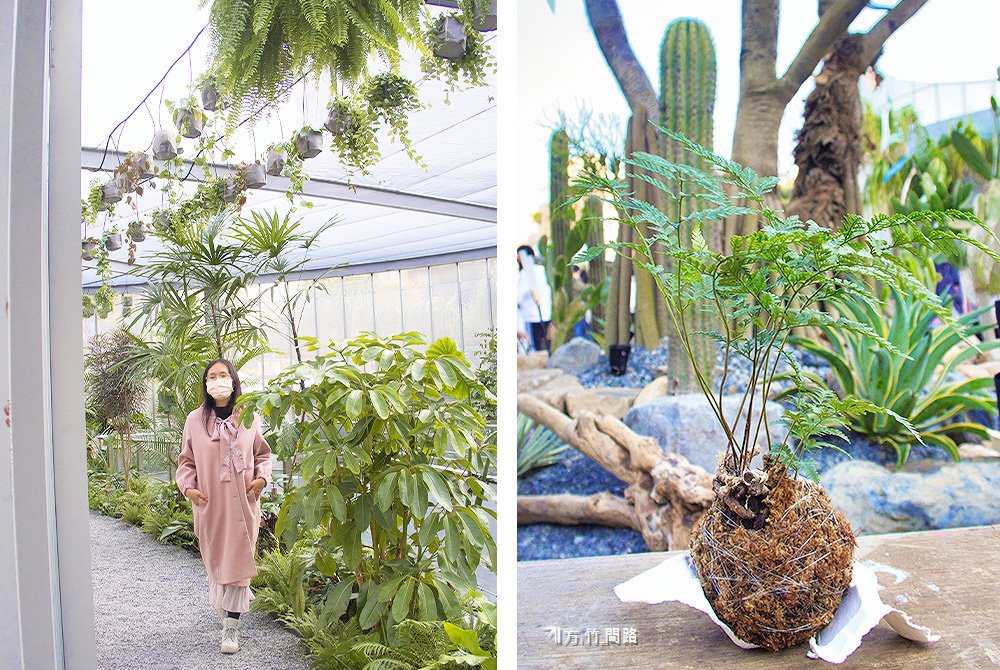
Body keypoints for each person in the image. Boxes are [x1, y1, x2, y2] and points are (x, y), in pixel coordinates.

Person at [175, 358, 272, 655]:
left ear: (233, 380)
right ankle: (226, 610)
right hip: (210, 505)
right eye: (212, 376)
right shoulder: (194, 420)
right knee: (217, 563)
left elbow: (263, 454)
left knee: (240, 562)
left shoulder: (250, 416)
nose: (218, 380)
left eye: (223, 375)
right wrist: (189, 488)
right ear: (206, 384)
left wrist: (261, 480)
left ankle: (231, 627)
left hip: (244, 503)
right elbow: (186, 461)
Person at [517, 245, 552, 352]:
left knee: (534, 349)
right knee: (544, 347)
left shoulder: (526, 273)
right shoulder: (541, 270)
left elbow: (518, 296)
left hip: (531, 317)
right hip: (545, 315)